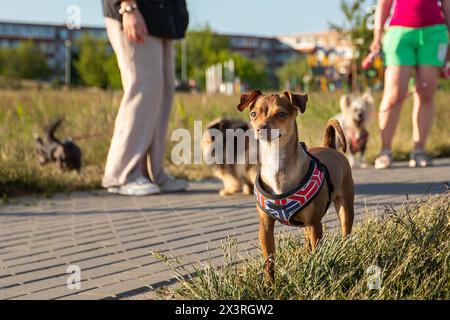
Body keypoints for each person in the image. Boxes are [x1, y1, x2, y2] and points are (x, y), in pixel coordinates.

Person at [101, 0, 189, 195]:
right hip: (135, 10)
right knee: (144, 88)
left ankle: (152, 172)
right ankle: (122, 174)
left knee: (163, 92)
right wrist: (128, 7)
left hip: (161, 15)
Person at [370, 0, 450, 169]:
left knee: (426, 93)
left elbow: (447, 5)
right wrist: (377, 36)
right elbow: (384, 4)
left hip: (434, 33)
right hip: (400, 33)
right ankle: (385, 151)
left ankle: (418, 151)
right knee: (394, 94)